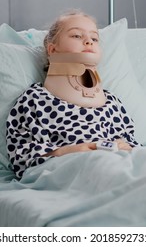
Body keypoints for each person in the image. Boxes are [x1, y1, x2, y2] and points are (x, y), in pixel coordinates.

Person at [6, 10, 140, 179]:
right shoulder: (34, 100)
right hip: (72, 168)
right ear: (52, 49)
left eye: (95, 38)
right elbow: (20, 154)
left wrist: (125, 147)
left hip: (121, 165)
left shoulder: (113, 102)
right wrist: (68, 151)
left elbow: (133, 144)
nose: (88, 41)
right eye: (76, 36)